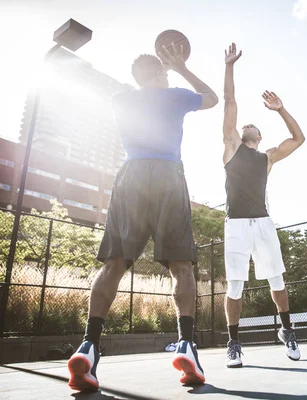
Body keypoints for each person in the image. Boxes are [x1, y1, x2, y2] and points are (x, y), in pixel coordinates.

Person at [67, 43, 218, 392]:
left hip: (131, 175)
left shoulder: (121, 99)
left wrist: (163, 71)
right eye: (162, 72)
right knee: (182, 267)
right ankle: (187, 345)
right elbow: (210, 97)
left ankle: (88, 347)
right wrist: (180, 68)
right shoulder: (176, 96)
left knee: (113, 264)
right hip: (167, 174)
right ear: (159, 74)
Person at [221, 43, 305, 368]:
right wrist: (229, 66)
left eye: (252, 127)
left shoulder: (267, 157)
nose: (247, 126)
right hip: (237, 224)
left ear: (258, 134)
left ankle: (287, 330)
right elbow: (229, 102)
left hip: (263, 223)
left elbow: (298, 139)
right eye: (244, 127)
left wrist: (281, 109)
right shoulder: (231, 147)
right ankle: (233, 342)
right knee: (236, 285)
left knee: (277, 281)